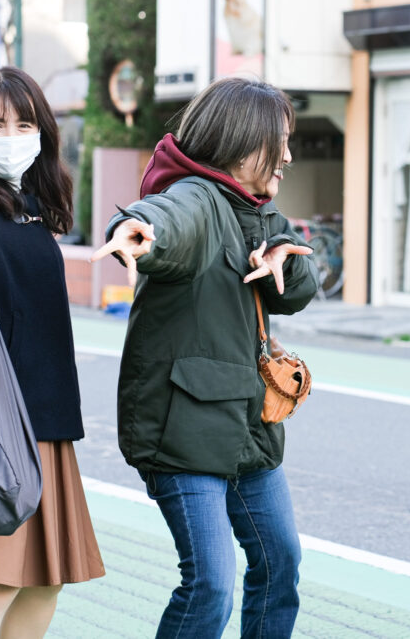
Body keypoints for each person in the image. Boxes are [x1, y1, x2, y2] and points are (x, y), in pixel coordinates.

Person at [90, 76, 318, 639]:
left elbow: (299, 288)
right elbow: (165, 220)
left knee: (281, 562)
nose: (288, 156)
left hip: (247, 425)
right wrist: (136, 231)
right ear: (240, 142)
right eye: (280, 142)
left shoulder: (259, 212)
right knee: (211, 583)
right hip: (184, 432)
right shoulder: (196, 196)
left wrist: (285, 261)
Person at [0, 67, 105, 637]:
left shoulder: (27, 201)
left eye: (24, 124)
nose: (11, 136)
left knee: (43, 582)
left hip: (44, 415)